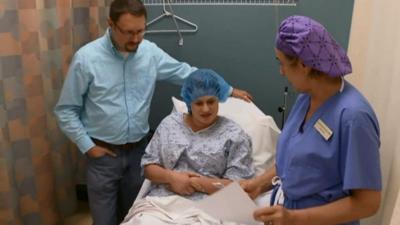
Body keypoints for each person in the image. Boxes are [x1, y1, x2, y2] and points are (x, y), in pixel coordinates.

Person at [53, 0, 252, 224]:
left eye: (141, 31)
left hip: (139, 151)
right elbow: (66, 110)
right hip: (103, 155)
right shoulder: (87, 59)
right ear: (111, 24)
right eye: (129, 32)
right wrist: (88, 147)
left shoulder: (149, 53)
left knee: (134, 215)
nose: (136, 39)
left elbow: (186, 73)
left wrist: (228, 89)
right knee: (104, 219)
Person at [240, 15, 381, 225]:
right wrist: (258, 185)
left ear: (304, 65)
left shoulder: (354, 118)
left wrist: (296, 218)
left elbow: (368, 203)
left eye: (283, 64)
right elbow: (295, 164)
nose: (281, 72)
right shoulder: (306, 97)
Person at [121, 69, 255, 225]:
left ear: (219, 99)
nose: (206, 109)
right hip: (163, 203)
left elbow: (239, 188)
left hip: (211, 207)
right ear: (189, 102)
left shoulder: (234, 134)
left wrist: (195, 183)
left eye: (211, 101)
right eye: (199, 103)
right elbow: (148, 167)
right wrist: (171, 177)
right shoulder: (169, 125)